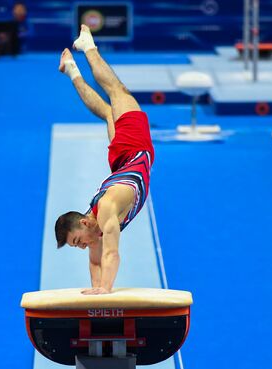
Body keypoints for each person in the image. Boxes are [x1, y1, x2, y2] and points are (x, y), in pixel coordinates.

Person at [55, 25, 155, 295]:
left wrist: (106, 290)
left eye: (78, 241)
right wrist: (96, 294)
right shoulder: (94, 228)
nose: (82, 246)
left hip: (134, 149)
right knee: (109, 111)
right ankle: (72, 70)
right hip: (122, 162)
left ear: (84, 222)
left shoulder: (107, 208)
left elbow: (112, 255)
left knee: (117, 91)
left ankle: (87, 45)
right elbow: (96, 261)